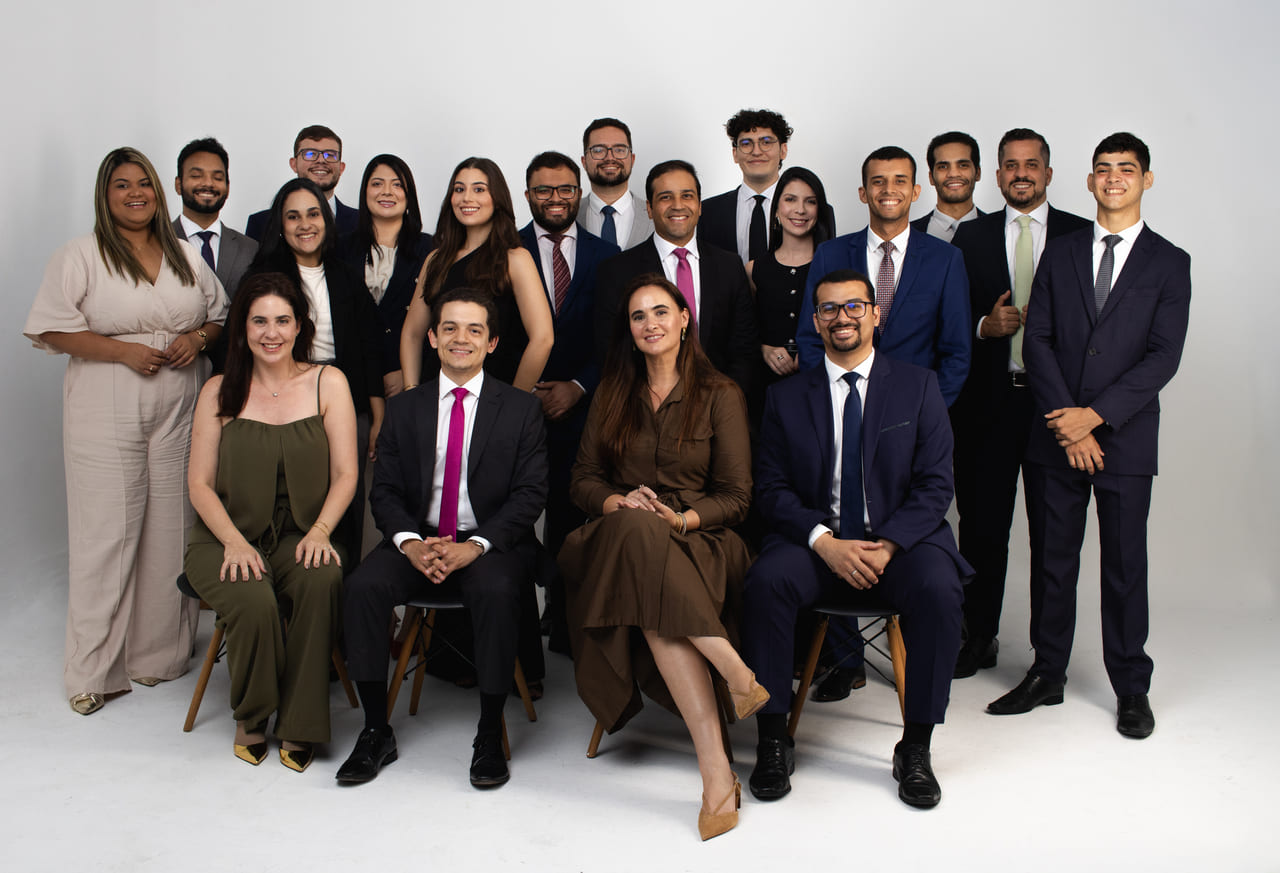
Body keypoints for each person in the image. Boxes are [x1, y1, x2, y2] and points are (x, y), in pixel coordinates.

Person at [987, 133, 1191, 741]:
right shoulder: (1062, 251)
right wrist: (1066, 421)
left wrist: (1093, 417)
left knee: (1124, 566)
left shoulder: (1170, 262)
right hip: (1055, 434)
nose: (1113, 178)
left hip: (1125, 438)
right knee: (1053, 560)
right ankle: (1047, 672)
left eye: (1126, 169)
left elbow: (1162, 357)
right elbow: (1038, 339)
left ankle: (1131, 686)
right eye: (1103, 168)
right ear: (1088, 180)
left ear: (1146, 179)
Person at [742, 269, 968, 809]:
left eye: (853, 306)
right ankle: (773, 739)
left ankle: (916, 747)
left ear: (875, 314)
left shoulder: (918, 386)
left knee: (940, 588)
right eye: (828, 308)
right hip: (816, 546)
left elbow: (936, 485)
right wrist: (823, 541)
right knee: (765, 581)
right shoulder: (785, 397)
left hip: (898, 545)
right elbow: (770, 488)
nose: (841, 317)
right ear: (815, 321)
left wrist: (888, 545)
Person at [24, 146, 228, 715]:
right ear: (105, 194)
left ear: (159, 193)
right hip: (107, 397)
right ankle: (92, 672)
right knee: (107, 533)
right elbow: (51, 330)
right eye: (122, 184)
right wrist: (122, 352)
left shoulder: (184, 254)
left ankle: (157, 657)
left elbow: (218, 316)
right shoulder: (81, 254)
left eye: (143, 183)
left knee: (171, 527)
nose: (135, 193)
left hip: (181, 400)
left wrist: (198, 340)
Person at [559, 275, 763, 841]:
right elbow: (583, 479)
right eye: (637, 316)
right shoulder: (612, 392)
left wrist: (680, 520)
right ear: (629, 330)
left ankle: (716, 773)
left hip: (700, 541)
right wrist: (617, 501)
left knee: (649, 578)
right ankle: (732, 672)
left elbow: (737, 498)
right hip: (617, 538)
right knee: (635, 530)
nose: (649, 324)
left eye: (660, 312)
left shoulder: (720, 393)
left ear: (683, 318)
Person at [336, 286, 548, 789]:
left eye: (474, 329)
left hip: (487, 542)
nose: (460, 338)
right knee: (363, 587)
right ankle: (375, 729)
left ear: (492, 343)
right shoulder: (405, 408)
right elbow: (385, 490)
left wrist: (473, 546)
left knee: (498, 590)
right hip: (419, 538)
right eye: (449, 327)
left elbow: (530, 495)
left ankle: (489, 732)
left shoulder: (520, 409)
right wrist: (411, 543)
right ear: (432, 337)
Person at [794, 145, 971, 702]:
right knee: (836, 520)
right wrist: (835, 402)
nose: (888, 189)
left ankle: (918, 662)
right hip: (838, 414)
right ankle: (845, 660)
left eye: (899, 180)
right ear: (862, 191)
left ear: (916, 191)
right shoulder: (832, 252)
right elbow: (809, 338)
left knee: (909, 534)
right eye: (877, 181)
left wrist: (917, 417)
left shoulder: (945, 260)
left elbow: (956, 353)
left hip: (908, 435)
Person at [184, 272, 358, 771]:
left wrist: (321, 532)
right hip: (223, 535)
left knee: (321, 578)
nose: (271, 332)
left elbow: (346, 474)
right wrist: (235, 543)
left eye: (282, 320)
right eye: (259, 321)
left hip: (303, 533)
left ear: (300, 325)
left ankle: (302, 720)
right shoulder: (218, 390)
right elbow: (199, 484)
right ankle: (253, 714)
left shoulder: (328, 382)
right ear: (242, 328)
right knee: (254, 598)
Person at [949, 129, 1089, 678]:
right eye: (1011, 165)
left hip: (1056, 407)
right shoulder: (970, 237)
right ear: (998, 174)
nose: (1021, 173)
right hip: (989, 405)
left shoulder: (1080, 234)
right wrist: (984, 325)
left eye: (1031, 164)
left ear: (1048, 173)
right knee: (983, 530)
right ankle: (979, 636)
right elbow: (948, 316)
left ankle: (1047, 656)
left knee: (1053, 535)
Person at [245, 179, 387, 560]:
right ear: (280, 225)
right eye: (293, 217)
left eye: (313, 214)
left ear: (326, 220)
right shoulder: (262, 277)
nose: (305, 224)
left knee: (347, 494)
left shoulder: (344, 274)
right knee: (290, 492)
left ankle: (342, 578)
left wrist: (376, 416)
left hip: (343, 394)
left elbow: (370, 347)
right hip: (281, 393)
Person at [517, 151, 620, 653]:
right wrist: (522, 394)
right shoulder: (506, 250)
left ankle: (562, 623)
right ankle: (517, 628)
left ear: (579, 193)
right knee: (510, 515)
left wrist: (578, 386)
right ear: (527, 195)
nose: (555, 199)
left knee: (567, 516)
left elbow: (615, 340)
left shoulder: (608, 257)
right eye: (543, 190)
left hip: (583, 411)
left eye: (564, 189)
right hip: (516, 407)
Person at [594, 160, 757, 395]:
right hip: (646, 405)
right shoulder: (616, 271)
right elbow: (612, 354)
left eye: (687, 196)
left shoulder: (729, 266)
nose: (678, 206)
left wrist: (725, 402)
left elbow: (744, 349)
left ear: (699, 206)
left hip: (719, 400)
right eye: (666, 197)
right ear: (649, 209)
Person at [400, 157, 553, 393]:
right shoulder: (435, 259)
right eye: (459, 189)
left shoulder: (515, 259)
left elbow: (543, 338)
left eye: (479, 189)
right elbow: (412, 333)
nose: (467, 198)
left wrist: (514, 402)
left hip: (495, 391)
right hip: (435, 391)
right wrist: (411, 390)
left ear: (497, 198)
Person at [340, 154, 435, 397]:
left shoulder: (432, 250)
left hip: (409, 382)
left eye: (397, 184)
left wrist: (409, 371)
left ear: (409, 194)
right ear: (365, 191)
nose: (387, 192)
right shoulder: (339, 249)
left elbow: (441, 319)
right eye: (377, 183)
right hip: (349, 380)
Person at [746, 166, 835, 396]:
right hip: (765, 386)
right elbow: (742, 332)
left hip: (822, 383)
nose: (800, 210)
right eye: (790, 199)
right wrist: (764, 349)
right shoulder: (754, 269)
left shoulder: (834, 266)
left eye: (810, 201)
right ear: (776, 208)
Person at [700, 108, 792, 264]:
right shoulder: (707, 212)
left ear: (783, 150)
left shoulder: (809, 211)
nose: (756, 152)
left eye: (766, 142)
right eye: (746, 143)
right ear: (735, 154)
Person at [172, 137, 258, 301]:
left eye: (217, 178)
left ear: (228, 187)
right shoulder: (157, 242)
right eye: (196, 175)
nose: (208, 183)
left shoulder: (250, 249)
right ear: (178, 184)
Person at [245, 124, 358, 241]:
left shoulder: (361, 222)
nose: (321, 160)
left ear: (341, 167)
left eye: (330, 155)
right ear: (294, 164)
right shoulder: (261, 223)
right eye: (310, 154)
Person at [577, 117, 653, 250]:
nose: (610, 158)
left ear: (632, 159)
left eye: (619, 150)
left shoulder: (655, 215)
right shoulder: (571, 214)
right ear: (584, 161)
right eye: (598, 150)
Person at [911, 131, 985, 242]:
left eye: (963, 165)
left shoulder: (1000, 231)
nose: (953, 174)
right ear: (931, 177)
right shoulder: (909, 234)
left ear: (978, 173)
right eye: (943, 167)